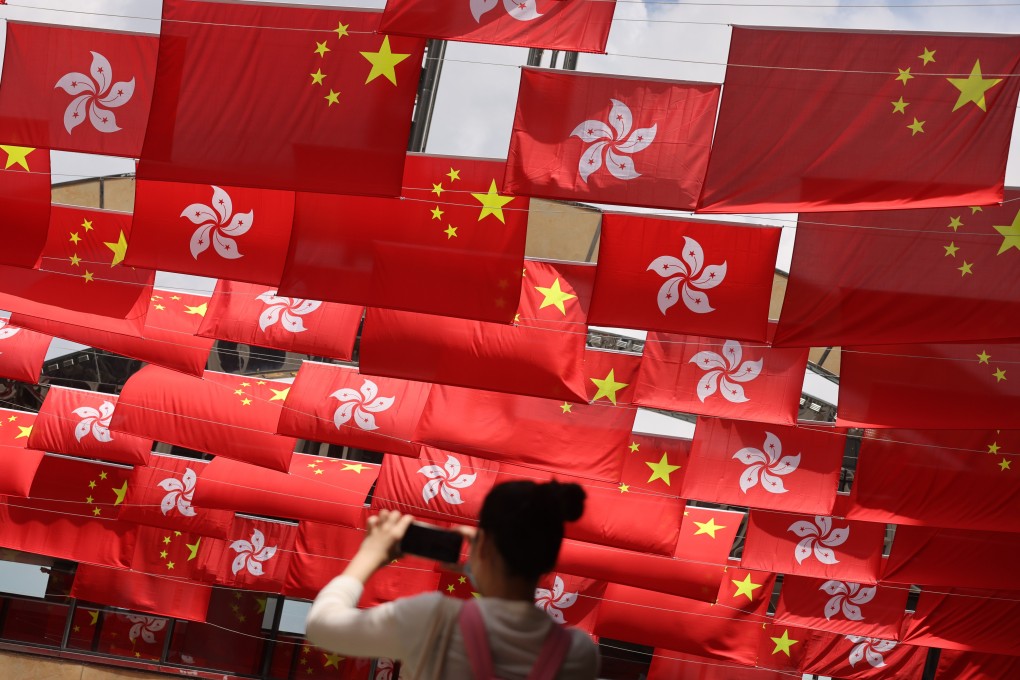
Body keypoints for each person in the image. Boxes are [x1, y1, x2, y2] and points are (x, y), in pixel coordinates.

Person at [305, 480, 600, 679]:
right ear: (549, 563)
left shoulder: (434, 620)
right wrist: (481, 563)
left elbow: (322, 627)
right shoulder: (577, 654)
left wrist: (369, 554)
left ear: (482, 544)